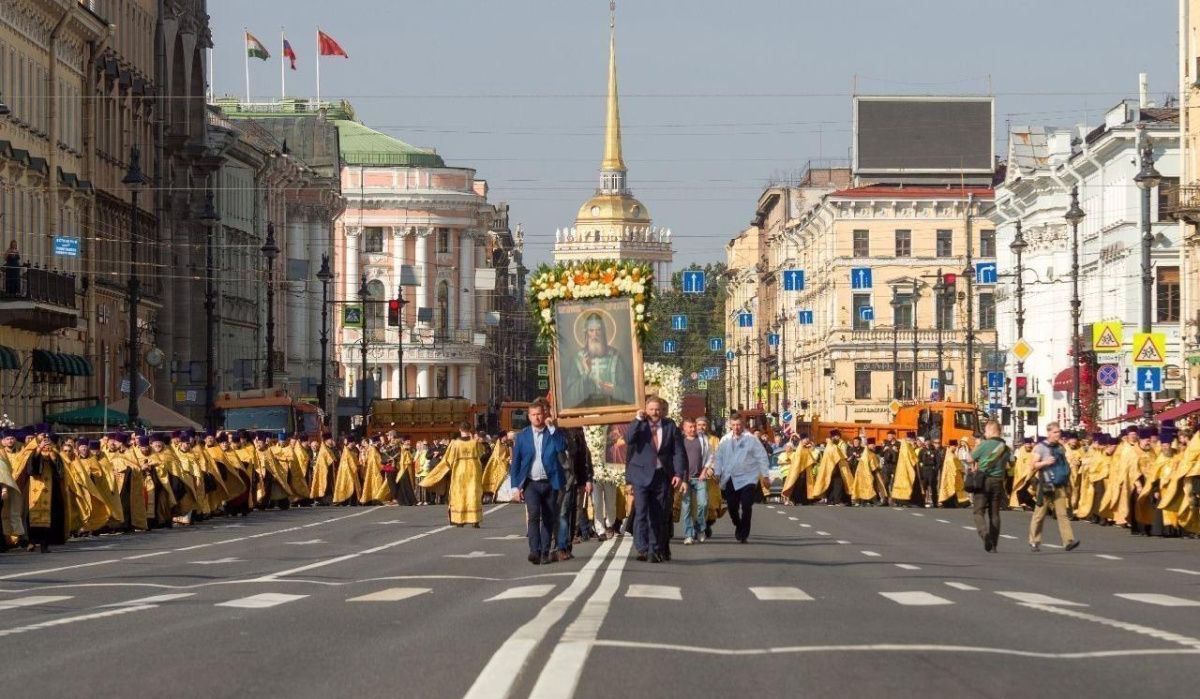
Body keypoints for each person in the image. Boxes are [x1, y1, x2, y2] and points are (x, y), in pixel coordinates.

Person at [624, 396, 686, 562]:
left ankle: (653, 549)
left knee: (658, 515)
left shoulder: (670, 425)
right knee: (642, 513)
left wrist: (679, 474)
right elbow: (628, 439)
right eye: (651, 409)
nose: (654, 412)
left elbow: (678, 451)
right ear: (646, 409)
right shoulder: (639, 424)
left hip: (661, 476)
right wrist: (637, 419)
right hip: (641, 475)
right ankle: (642, 547)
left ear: (662, 410)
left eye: (657, 409)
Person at [510, 399, 568, 565]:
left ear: (544, 415)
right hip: (531, 483)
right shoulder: (522, 437)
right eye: (533, 415)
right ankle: (534, 551)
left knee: (549, 518)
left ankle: (545, 551)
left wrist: (552, 428)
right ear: (529, 417)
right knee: (534, 516)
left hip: (550, 482)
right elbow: (516, 463)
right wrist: (515, 487)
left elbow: (561, 447)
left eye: (539, 414)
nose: (537, 418)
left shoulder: (552, 432)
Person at [712, 415, 769, 543]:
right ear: (730, 425)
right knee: (732, 507)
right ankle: (738, 524)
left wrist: (765, 475)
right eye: (734, 425)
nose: (736, 427)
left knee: (747, 505)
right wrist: (717, 472)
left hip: (748, 478)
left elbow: (762, 457)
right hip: (731, 478)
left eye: (738, 425)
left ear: (743, 424)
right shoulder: (725, 439)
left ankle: (744, 533)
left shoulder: (751, 439)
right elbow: (719, 457)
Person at [1028, 422, 1080, 552]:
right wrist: (1045, 462)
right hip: (1045, 484)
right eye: (1056, 432)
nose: (1058, 434)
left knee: (1062, 514)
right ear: (1049, 433)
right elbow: (1033, 465)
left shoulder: (1060, 447)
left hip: (1059, 484)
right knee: (1039, 514)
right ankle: (1034, 540)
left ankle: (1068, 541)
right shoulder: (1040, 447)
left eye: (1059, 432)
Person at [564, 312, 633, 408]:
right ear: (586, 333)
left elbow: (629, 392)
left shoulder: (615, 357)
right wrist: (586, 374)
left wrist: (613, 391)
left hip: (612, 407)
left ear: (603, 332)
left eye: (598, 330)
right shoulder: (578, 358)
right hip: (585, 409)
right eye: (591, 330)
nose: (595, 334)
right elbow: (570, 394)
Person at [431, 423, 485, 527]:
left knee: (459, 494)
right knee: (473, 494)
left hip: (459, 471)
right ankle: (475, 519)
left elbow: (448, 459)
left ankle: (460, 519)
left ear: (460, 429)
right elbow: (481, 453)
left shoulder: (454, 444)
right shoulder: (475, 442)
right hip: (473, 471)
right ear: (470, 430)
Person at [966, 420, 1009, 552]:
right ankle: (994, 546)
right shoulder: (1006, 448)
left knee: (978, 511)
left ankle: (985, 535)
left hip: (983, 481)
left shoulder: (984, 445)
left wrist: (976, 449)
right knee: (995, 514)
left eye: (985, 431)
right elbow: (1009, 463)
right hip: (998, 481)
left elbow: (969, 459)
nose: (985, 433)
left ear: (991, 430)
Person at [555, 427, 593, 559]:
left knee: (570, 513)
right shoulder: (551, 430)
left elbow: (583, 456)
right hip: (556, 479)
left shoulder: (576, 433)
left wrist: (587, 478)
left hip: (573, 478)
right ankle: (560, 546)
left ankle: (566, 545)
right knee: (562, 513)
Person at [679, 418, 713, 544]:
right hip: (685, 479)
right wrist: (681, 476)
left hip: (700, 478)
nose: (693, 429)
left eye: (694, 426)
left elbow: (710, 455)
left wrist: (705, 471)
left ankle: (700, 529)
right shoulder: (680, 441)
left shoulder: (703, 439)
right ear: (684, 428)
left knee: (703, 504)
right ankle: (688, 534)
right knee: (687, 507)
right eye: (690, 427)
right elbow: (677, 459)